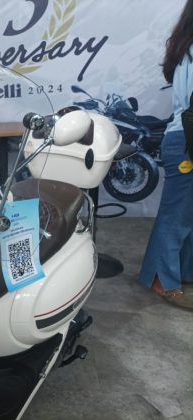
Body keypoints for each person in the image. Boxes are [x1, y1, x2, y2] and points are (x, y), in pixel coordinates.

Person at [138, 0, 193, 311]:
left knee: (185, 214)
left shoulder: (185, 48)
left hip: (182, 137)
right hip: (186, 140)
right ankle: (162, 279)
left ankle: (178, 272)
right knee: (177, 215)